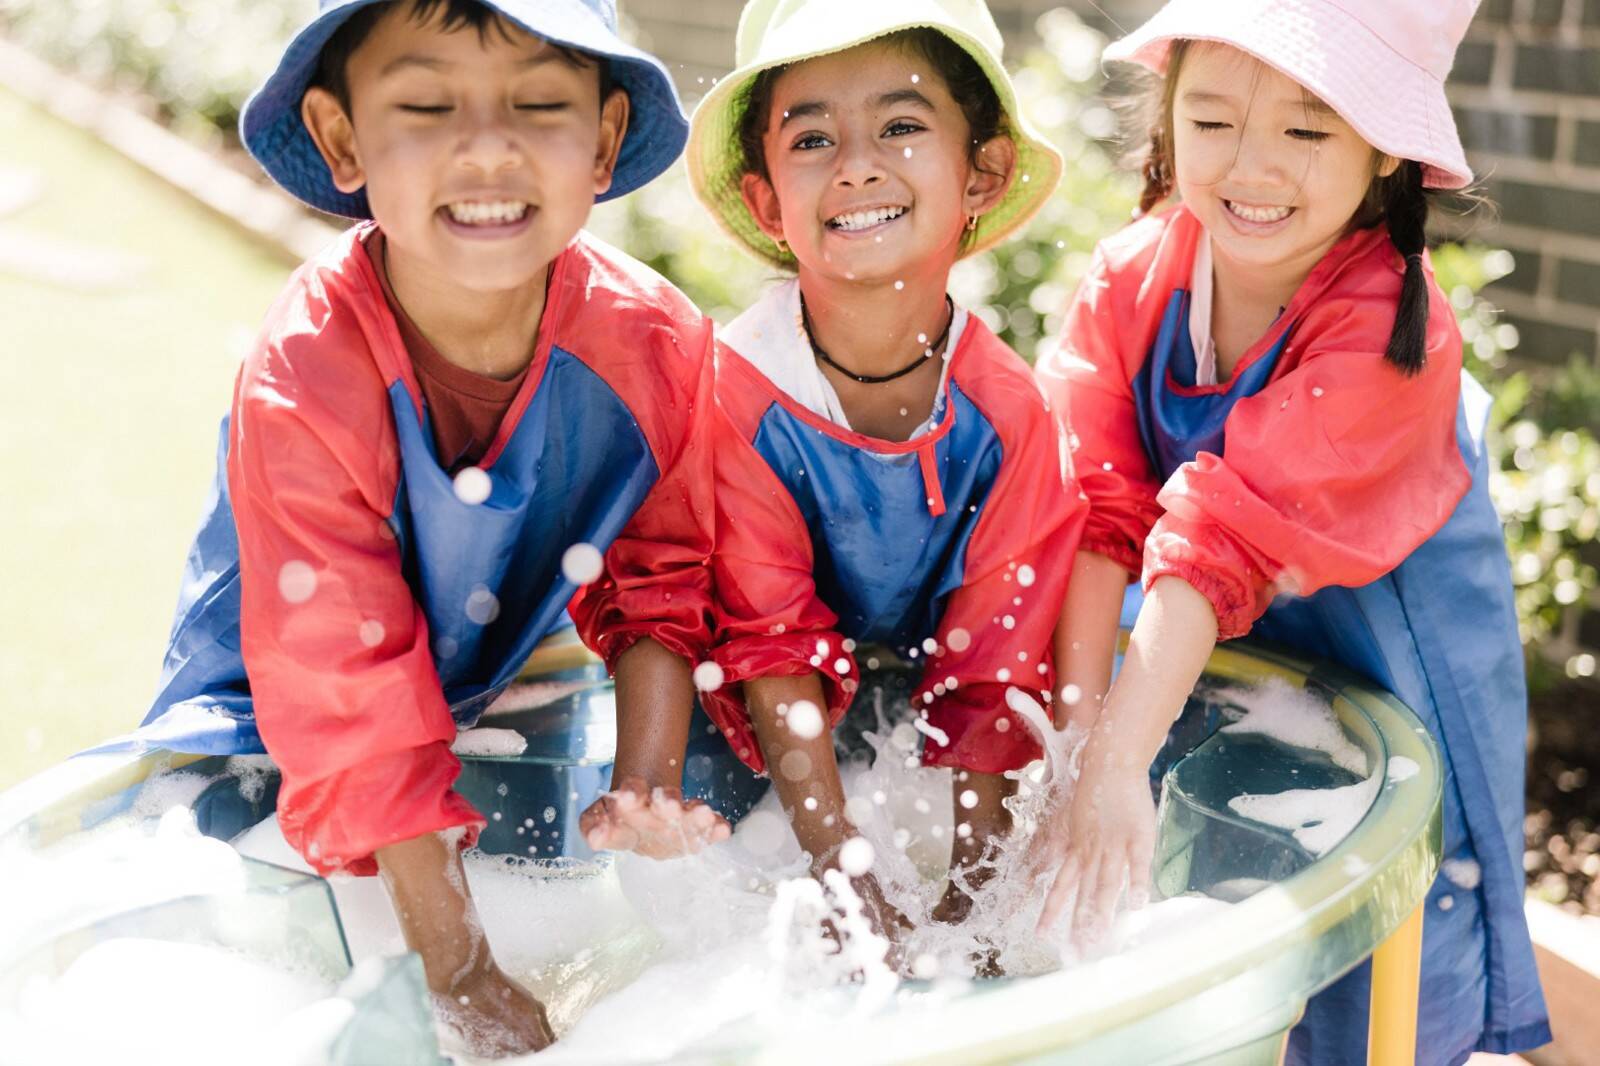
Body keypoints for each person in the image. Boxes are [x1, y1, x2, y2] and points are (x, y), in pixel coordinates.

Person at [133, 0, 719, 1054]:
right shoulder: (309, 369)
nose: (487, 148)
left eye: (539, 102)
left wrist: (647, 781)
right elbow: (342, 684)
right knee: (246, 968)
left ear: (604, 138)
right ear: (342, 137)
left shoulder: (656, 347)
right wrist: (459, 971)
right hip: (263, 717)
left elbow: (663, 575)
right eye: (427, 103)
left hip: (473, 686)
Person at [1035, 1, 1551, 1062]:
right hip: (1201, 639)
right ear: (1167, 122)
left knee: (1388, 929)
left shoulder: (1385, 324)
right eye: (1214, 120)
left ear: (1381, 158)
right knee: (1210, 894)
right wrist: (1084, 749)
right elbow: (1097, 513)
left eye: (1308, 130)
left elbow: (1221, 534)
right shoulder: (1134, 276)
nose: (1253, 166)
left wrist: (1119, 750)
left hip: (1395, 649)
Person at [680, 0, 1085, 953]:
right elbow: (766, 640)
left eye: (901, 126)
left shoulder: (1011, 420)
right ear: (770, 199)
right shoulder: (738, 399)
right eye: (813, 137)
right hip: (750, 717)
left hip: (906, 696)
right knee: (724, 912)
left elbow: (998, 661)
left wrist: (973, 898)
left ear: (979, 172)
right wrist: (834, 864)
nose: (858, 164)